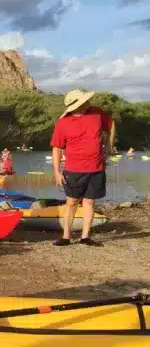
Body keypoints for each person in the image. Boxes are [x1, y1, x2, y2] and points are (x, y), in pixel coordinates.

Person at [50, 88, 115, 247]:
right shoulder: (63, 123)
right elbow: (57, 149)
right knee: (71, 202)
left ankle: (85, 236)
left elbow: (112, 124)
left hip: (96, 168)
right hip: (74, 170)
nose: (88, 102)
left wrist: (109, 144)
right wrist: (57, 172)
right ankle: (66, 236)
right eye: (84, 101)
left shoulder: (97, 113)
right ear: (76, 105)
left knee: (90, 202)